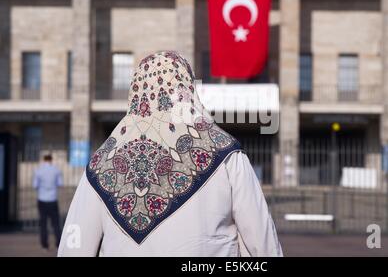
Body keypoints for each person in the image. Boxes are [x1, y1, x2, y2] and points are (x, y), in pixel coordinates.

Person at [58, 51, 283, 257]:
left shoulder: (101, 164)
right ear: (188, 89)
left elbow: (74, 247)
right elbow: (261, 238)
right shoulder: (226, 154)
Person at [32, 153, 63, 250]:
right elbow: (60, 183)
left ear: (43, 160)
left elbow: (35, 185)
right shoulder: (56, 170)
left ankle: (45, 244)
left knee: (43, 223)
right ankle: (58, 244)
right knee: (56, 223)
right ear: (51, 160)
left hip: (42, 199)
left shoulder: (38, 171)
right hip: (53, 199)